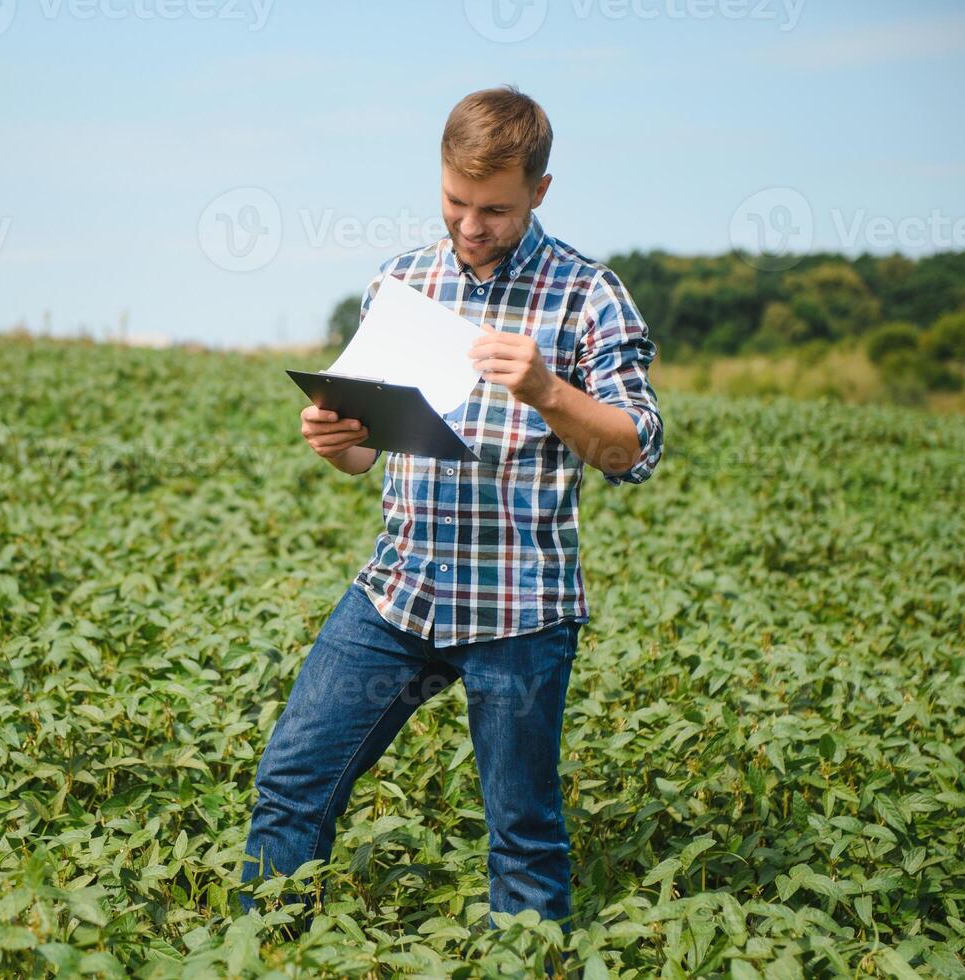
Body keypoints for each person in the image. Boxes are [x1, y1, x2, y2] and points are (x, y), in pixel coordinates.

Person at [238, 84, 664, 939]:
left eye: (495, 209)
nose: (471, 225)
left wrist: (546, 388)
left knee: (522, 836)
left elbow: (633, 451)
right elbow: (368, 450)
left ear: (539, 191)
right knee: (292, 779)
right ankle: (263, 952)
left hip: (519, 609)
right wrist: (336, 440)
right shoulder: (402, 282)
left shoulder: (587, 295)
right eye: (455, 202)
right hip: (401, 591)